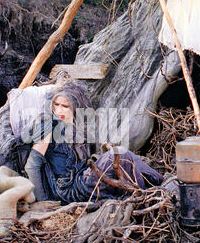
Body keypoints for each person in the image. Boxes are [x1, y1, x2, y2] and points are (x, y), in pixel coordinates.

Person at [23, 80, 163, 205]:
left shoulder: (77, 126)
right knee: (118, 153)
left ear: (75, 107)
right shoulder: (48, 126)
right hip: (69, 188)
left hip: (83, 177)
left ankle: (160, 184)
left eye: (65, 106)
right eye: (56, 104)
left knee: (122, 156)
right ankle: (145, 196)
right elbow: (32, 165)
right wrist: (42, 201)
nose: (59, 110)